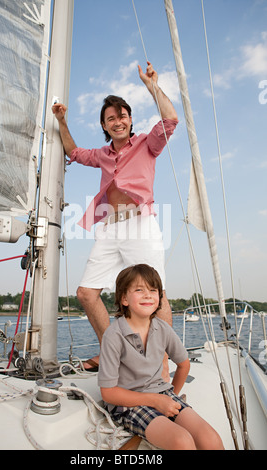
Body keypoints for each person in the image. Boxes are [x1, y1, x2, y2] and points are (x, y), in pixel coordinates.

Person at [52, 62, 178, 371]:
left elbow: (171, 120)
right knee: (86, 293)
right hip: (109, 226)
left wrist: (152, 87)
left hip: (140, 224)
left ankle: (160, 369)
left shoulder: (148, 143)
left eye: (122, 115)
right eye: (111, 119)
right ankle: (115, 353)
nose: (118, 121)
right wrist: (62, 121)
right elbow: (74, 152)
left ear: (130, 119)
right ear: (105, 126)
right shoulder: (102, 155)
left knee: (154, 296)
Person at [98, 264, 224, 450]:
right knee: (182, 441)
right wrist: (155, 401)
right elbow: (108, 393)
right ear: (124, 298)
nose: (148, 295)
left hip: (162, 393)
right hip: (128, 403)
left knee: (210, 438)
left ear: (159, 298)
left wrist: (170, 396)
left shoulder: (162, 329)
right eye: (139, 290)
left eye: (153, 290)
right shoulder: (114, 335)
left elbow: (183, 364)